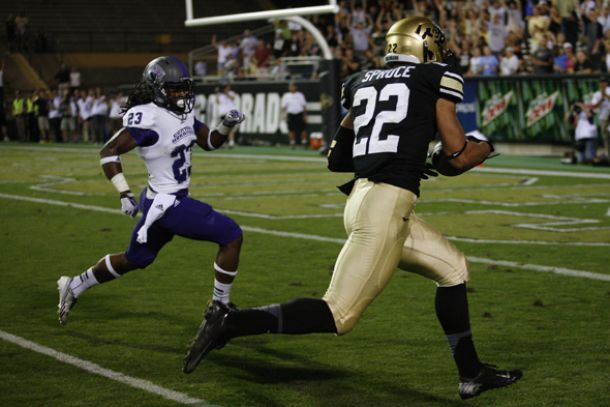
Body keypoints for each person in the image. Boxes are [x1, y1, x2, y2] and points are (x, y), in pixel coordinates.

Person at [182, 16, 523, 401]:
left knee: (452, 269)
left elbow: (337, 157)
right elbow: (458, 157)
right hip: (385, 206)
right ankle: (230, 322)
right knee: (340, 314)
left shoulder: (360, 81)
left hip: (363, 198)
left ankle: (471, 373)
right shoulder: (434, 77)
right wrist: (485, 146)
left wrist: (407, 154)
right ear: (423, 45)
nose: (442, 50)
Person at [56, 56, 246, 330]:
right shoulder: (148, 117)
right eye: (175, 89)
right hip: (169, 204)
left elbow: (209, 142)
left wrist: (226, 124)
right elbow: (109, 152)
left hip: (160, 201)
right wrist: (123, 192)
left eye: (184, 88)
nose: (182, 94)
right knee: (231, 235)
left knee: (136, 259)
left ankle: (74, 284)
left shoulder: (181, 113)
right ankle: (220, 307)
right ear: (157, 89)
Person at [281, 83, 308, 148]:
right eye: (290, 86)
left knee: (302, 129)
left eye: (293, 86)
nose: (292, 88)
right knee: (291, 129)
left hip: (299, 114)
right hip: (291, 114)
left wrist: (305, 116)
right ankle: (292, 143)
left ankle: (304, 142)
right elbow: (284, 107)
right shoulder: (286, 96)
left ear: (296, 87)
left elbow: (304, 106)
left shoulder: (300, 95)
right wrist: (284, 115)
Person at [217, 84, 239, 148]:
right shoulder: (221, 95)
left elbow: (233, 98)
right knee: (222, 129)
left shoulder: (231, 93)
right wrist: (217, 93)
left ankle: (231, 142)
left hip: (230, 113)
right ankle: (222, 143)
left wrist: (226, 94)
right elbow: (217, 101)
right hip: (223, 113)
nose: (226, 89)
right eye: (225, 88)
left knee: (230, 128)